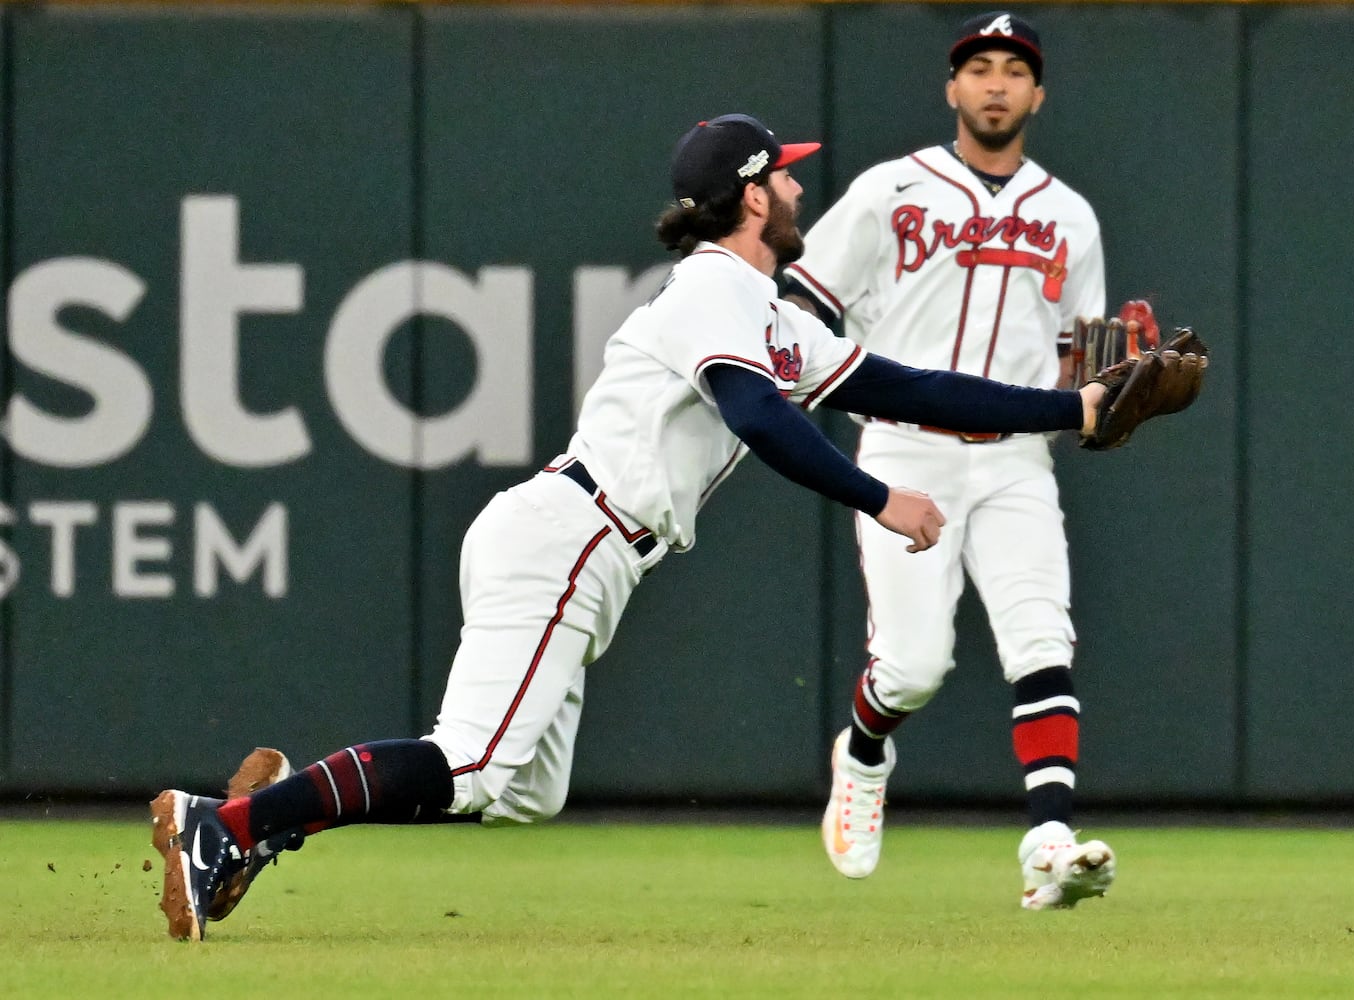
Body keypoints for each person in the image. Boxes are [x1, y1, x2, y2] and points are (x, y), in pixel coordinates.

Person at [150, 112, 1121, 941]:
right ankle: (233, 826)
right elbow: (755, 414)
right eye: (784, 177)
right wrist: (879, 498)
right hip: (573, 536)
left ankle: (256, 813)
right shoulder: (714, 287)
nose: (795, 192)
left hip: (583, 544)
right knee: (477, 761)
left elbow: (908, 385)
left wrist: (1071, 409)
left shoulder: (773, 309)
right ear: (751, 199)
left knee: (523, 790)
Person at [783, 12, 1119, 909]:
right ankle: (861, 750)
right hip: (906, 449)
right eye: (981, 67)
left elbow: (1077, 358)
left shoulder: (1070, 216)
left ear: (1038, 94)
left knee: (1041, 637)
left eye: (1015, 69)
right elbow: (803, 301)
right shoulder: (892, 189)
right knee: (915, 667)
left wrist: (1113, 386)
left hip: (1015, 459)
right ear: (952, 88)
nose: (997, 83)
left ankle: (1049, 837)